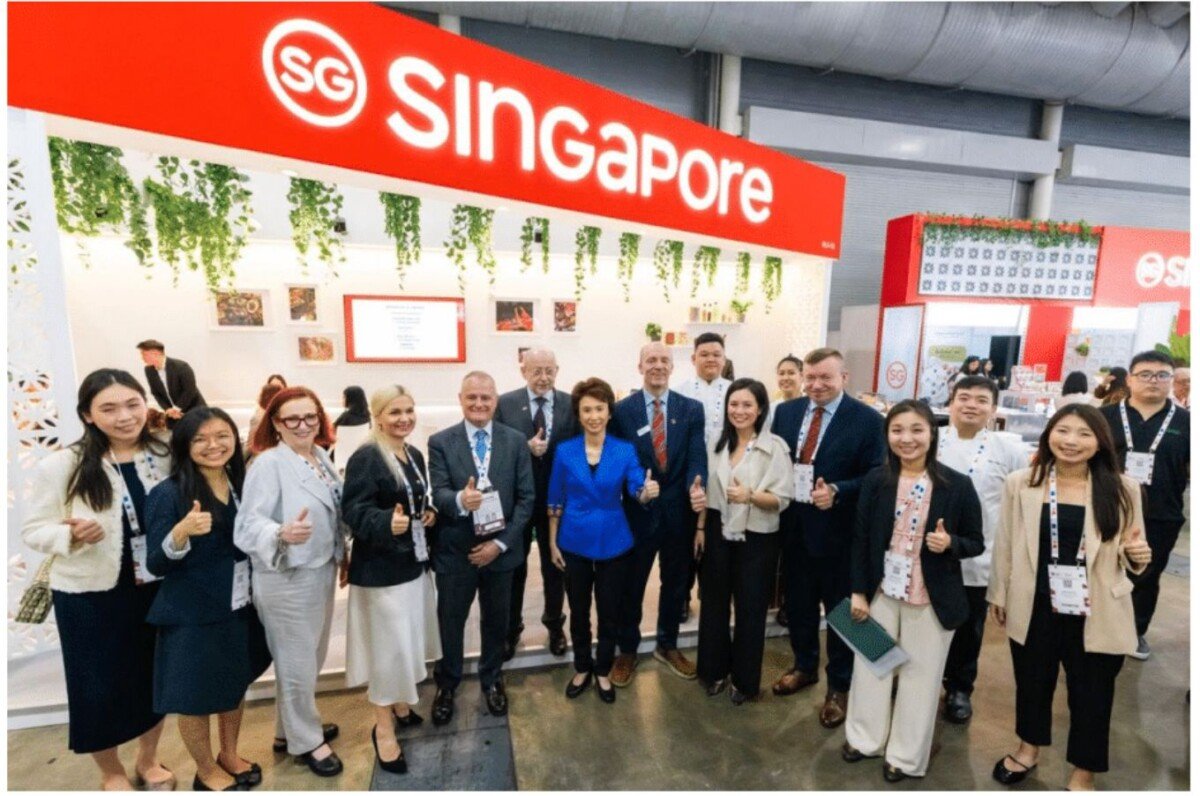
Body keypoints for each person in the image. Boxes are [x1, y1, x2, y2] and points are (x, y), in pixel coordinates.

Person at [21, 369, 176, 791]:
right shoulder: (63, 465)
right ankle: (111, 772)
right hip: (89, 595)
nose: (124, 416)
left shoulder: (163, 453)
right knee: (96, 687)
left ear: (145, 404)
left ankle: (149, 759)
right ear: (88, 415)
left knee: (153, 678)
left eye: (132, 404)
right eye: (108, 408)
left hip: (154, 587)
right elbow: (32, 530)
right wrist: (69, 535)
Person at [988, 405, 1150, 791]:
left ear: (1100, 442)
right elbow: (1005, 542)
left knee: (1093, 693)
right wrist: (999, 593)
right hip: (1035, 604)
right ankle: (1028, 749)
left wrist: (1138, 555)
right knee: (1032, 683)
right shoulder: (1022, 482)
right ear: (1049, 435)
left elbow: (1134, 546)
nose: (1071, 441)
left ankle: (1083, 770)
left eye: (1084, 434)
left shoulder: (1122, 487)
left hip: (1097, 608)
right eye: (1063, 431)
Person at [842, 399, 983, 782]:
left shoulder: (957, 485)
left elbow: (975, 541)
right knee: (871, 666)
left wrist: (950, 543)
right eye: (897, 430)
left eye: (917, 430)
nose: (907, 438)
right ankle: (865, 738)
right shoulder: (877, 480)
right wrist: (858, 591)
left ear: (932, 434)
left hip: (931, 597)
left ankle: (905, 756)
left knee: (920, 678)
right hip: (880, 592)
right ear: (887, 435)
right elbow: (860, 539)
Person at [145, 407, 271, 792]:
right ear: (184, 445)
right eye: (200, 439)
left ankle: (229, 754)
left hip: (239, 606)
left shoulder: (242, 483)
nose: (213, 445)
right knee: (195, 697)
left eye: (222, 436)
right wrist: (181, 532)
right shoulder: (168, 494)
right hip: (192, 615)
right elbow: (155, 563)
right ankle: (205, 769)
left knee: (234, 685)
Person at [234, 386, 346, 777]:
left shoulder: (319, 456)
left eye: (310, 416)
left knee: (306, 659)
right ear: (276, 424)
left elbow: (333, 511)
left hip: (319, 568)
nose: (303, 425)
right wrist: (281, 532)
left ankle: (288, 731)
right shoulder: (268, 464)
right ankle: (307, 741)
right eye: (292, 419)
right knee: (297, 662)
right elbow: (247, 525)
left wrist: (342, 555)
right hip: (287, 577)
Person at [770, 348, 884, 730]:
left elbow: (877, 475)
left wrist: (838, 489)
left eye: (826, 378)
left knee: (841, 613)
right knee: (799, 605)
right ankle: (804, 666)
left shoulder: (868, 420)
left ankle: (840, 686)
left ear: (844, 378)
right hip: (794, 529)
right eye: (811, 377)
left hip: (840, 534)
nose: (816, 385)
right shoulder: (786, 412)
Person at [426, 372, 535, 725]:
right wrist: (461, 499)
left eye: (485, 398)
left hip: (500, 553)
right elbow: (439, 492)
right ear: (460, 399)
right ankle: (447, 685)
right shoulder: (440, 442)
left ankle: (492, 678)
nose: (478, 403)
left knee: (496, 622)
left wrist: (500, 544)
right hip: (455, 552)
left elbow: (526, 498)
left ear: (495, 400)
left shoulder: (515, 441)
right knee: (450, 622)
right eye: (471, 397)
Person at [342, 385, 440, 776]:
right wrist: (386, 522)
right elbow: (353, 509)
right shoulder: (367, 456)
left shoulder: (412, 453)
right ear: (378, 416)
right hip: (381, 572)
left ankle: (400, 705)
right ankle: (383, 729)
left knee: (406, 643)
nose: (404, 418)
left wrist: (427, 512)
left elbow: (413, 498)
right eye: (395, 412)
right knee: (388, 651)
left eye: (409, 410)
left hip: (411, 563)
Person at [547, 378, 654, 704]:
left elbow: (636, 485)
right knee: (578, 609)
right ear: (579, 415)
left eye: (599, 409)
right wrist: (551, 542)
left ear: (609, 412)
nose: (594, 416)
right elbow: (555, 498)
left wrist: (645, 492)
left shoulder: (624, 449)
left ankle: (603, 669)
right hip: (573, 540)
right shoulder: (565, 451)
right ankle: (582, 666)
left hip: (614, 540)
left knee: (609, 611)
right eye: (587, 410)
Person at [609, 342, 708, 685]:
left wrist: (697, 485)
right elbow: (618, 461)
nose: (658, 366)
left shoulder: (691, 409)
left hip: (679, 513)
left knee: (676, 584)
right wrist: (637, 487)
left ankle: (667, 645)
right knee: (631, 585)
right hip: (637, 512)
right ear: (640, 367)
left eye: (664, 360)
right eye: (651, 360)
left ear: (673, 367)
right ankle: (627, 650)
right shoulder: (621, 411)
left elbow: (697, 456)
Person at [936, 376, 1030, 723]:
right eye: (964, 398)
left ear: (993, 409)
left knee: (967, 627)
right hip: (927, 552)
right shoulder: (930, 439)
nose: (971, 405)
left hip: (978, 555)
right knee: (924, 621)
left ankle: (959, 688)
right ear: (951, 403)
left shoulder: (1008, 450)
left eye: (981, 400)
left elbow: (1022, 501)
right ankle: (921, 680)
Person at [695, 378, 793, 704]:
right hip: (717, 529)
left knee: (750, 609)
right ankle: (714, 671)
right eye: (734, 404)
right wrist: (699, 528)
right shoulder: (716, 442)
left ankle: (745, 681)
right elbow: (706, 490)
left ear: (760, 409)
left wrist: (750, 495)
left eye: (747, 405)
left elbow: (782, 499)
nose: (739, 411)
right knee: (713, 604)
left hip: (757, 536)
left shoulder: (775, 447)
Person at [1100, 351, 1189, 660]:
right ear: (1130, 379)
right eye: (1145, 374)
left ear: (1172, 380)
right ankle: (1096, 623)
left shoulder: (1187, 422)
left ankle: (1135, 630)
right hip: (1107, 507)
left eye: (1162, 375)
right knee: (1101, 567)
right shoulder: (1105, 416)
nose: (1154, 380)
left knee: (1147, 574)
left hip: (1161, 512)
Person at [494, 348, 579, 661]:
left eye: (549, 370)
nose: (543, 377)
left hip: (558, 501)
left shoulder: (572, 403)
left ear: (557, 370)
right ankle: (510, 629)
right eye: (536, 371)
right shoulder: (504, 404)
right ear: (523, 372)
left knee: (555, 566)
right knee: (514, 567)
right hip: (517, 501)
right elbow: (494, 450)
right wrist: (523, 447)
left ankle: (555, 625)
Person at [674, 332, 732, 621]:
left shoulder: (736, 393)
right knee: (684, 541)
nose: (711, 359)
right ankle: (682, 596)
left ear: (724, 359)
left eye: (716, 354)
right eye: (704, 354)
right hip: (688, 479)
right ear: (693, 357)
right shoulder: (679, 392)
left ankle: (710, 597)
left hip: (725, 480)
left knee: (716, 543)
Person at [137, 340, 206, 427]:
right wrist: (168, 409)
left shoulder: (182, 367)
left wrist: (176, 409)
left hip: (195, 411)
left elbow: (189, 390)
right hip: (173, 416)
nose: (142, 358)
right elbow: (155, 393)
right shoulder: (148, 370)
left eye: (144, 354)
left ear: (155, 353)